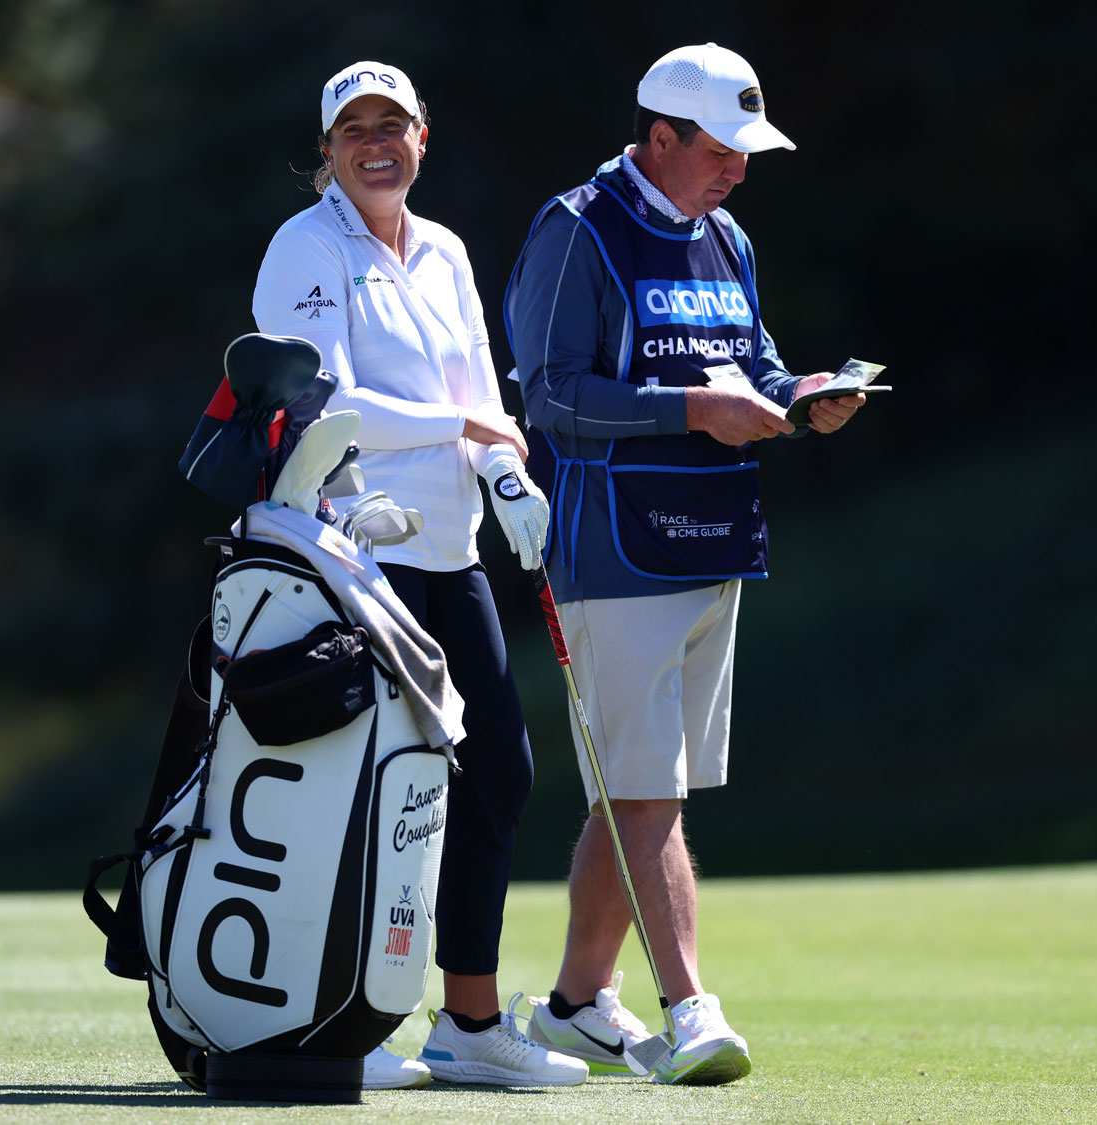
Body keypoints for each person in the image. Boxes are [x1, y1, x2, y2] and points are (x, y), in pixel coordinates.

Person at [503, 43, 866, 1086]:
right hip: (611, 549)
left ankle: (574, 1004)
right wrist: (690, 410)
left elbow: (747, 367)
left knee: (638, 792)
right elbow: (552, 398)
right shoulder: (575, 229)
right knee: (648, 793)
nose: (738, 171)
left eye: (747, 152)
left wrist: (799, 397)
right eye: (717, 150)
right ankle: (689, 1009)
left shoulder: (728, 237)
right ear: (656, 137)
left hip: (713, 542)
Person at [250, 60, 586, 1090]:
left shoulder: (440, 250)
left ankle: (469, 1023)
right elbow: (328, 403)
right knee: (364, 789)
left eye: (391, 124)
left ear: (421, 137)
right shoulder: (303, 248)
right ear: (328, 150)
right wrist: (468, 428)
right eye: (353, 129)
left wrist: (502, 470)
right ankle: (340, 1022)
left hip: (447, 550)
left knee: (497, 775)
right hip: (354, 551)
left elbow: (476, 387)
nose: (374, 142)